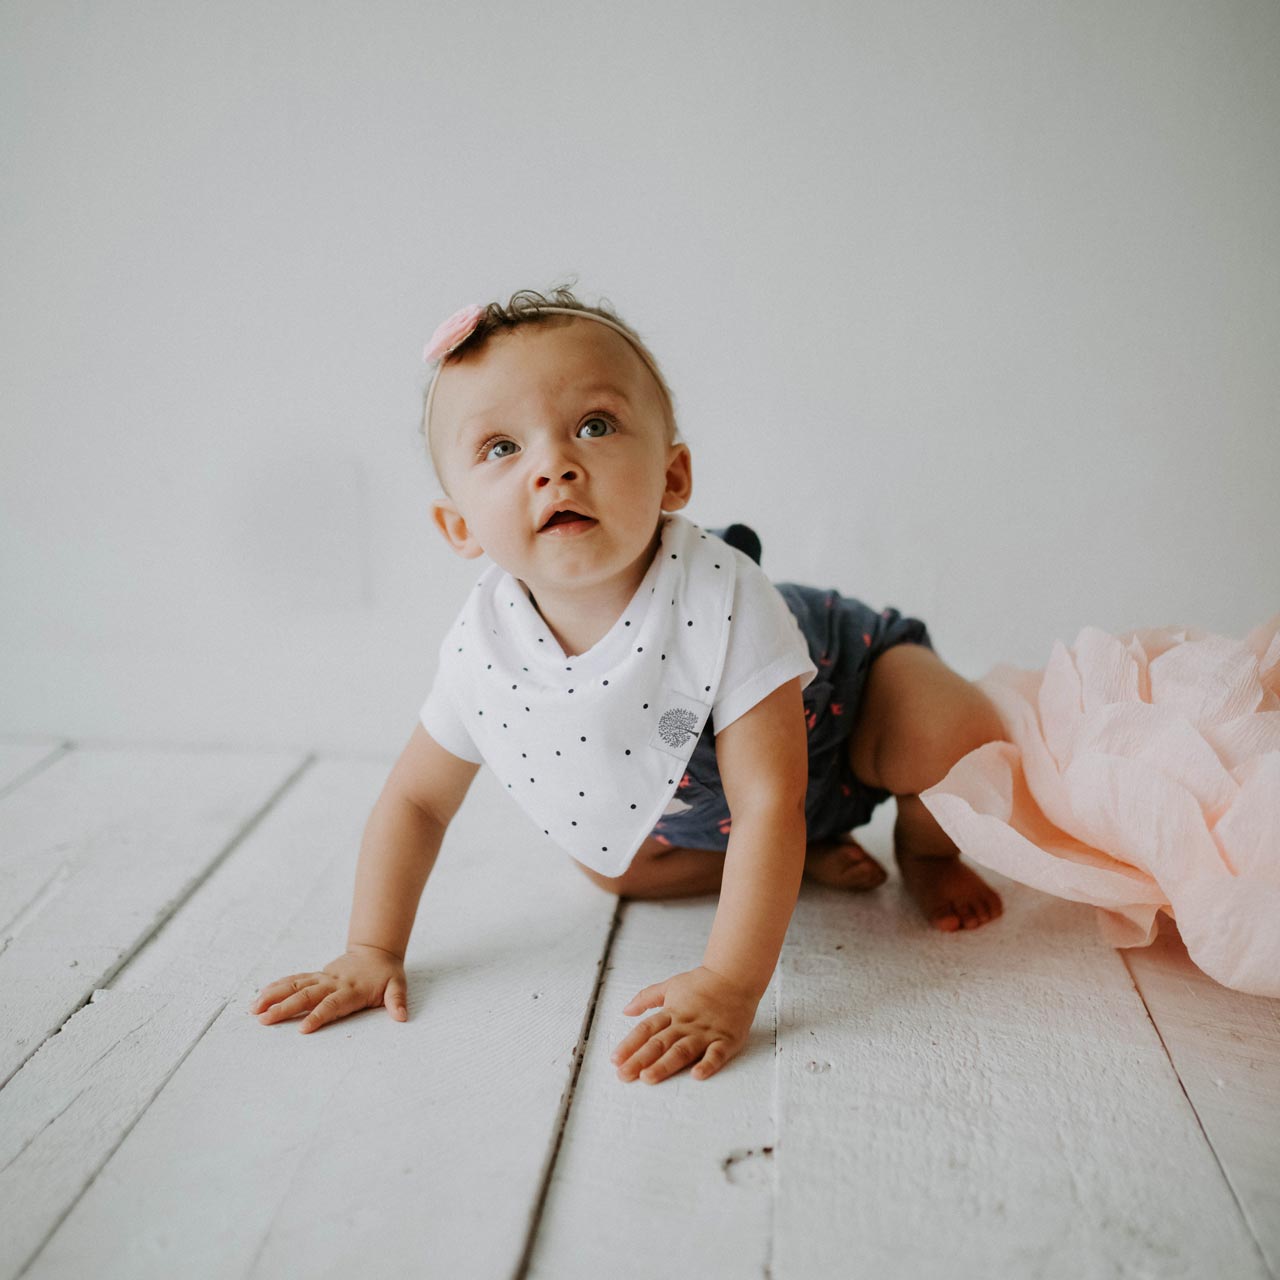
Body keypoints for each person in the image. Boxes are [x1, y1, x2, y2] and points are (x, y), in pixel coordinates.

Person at [251, 286, 1007, 1085]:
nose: (555, 464)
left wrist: (728, 984)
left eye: (595, 426)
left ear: (673, 475)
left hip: (846, 712)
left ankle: (924, 847)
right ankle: (809, 855)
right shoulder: (487, 647)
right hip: (725, 813)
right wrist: (373, 949)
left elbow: (765, 801)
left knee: (954, 734)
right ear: (459, 527)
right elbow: (416, 802)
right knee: (613, 868)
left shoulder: (723, 596)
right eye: (502, 448)